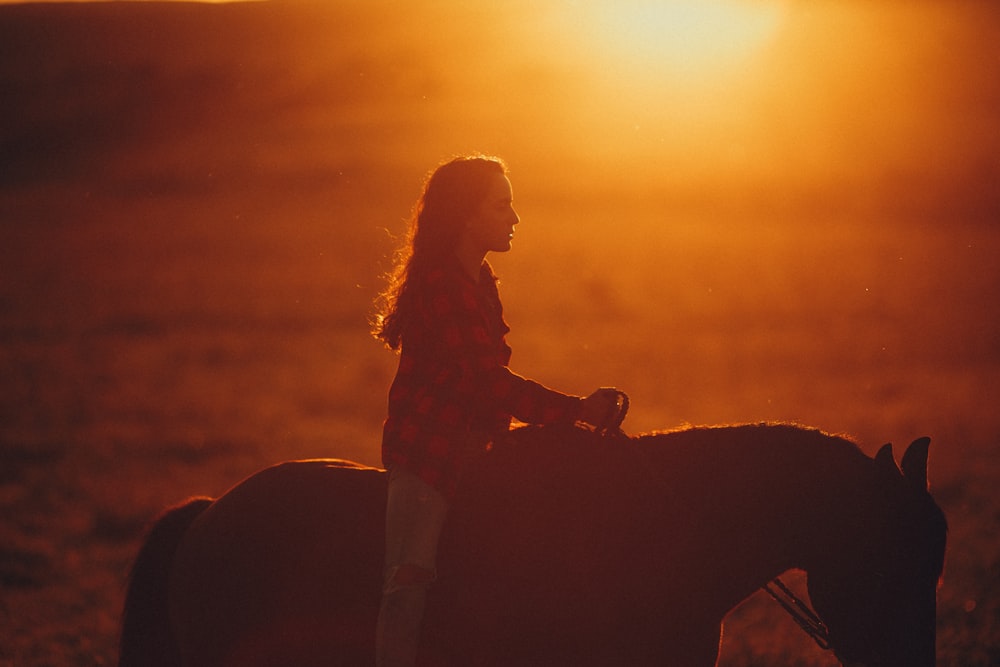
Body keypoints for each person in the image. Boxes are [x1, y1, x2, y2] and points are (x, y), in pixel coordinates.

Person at [370, 154, 622, 667]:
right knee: (407, 589)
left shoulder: (480, 279)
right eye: (502, 205)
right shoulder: (446, 286)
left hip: (470, 450)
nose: (514, 217)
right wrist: (575, 410)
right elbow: (489, 384)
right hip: (429, 461)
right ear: (467, 215)